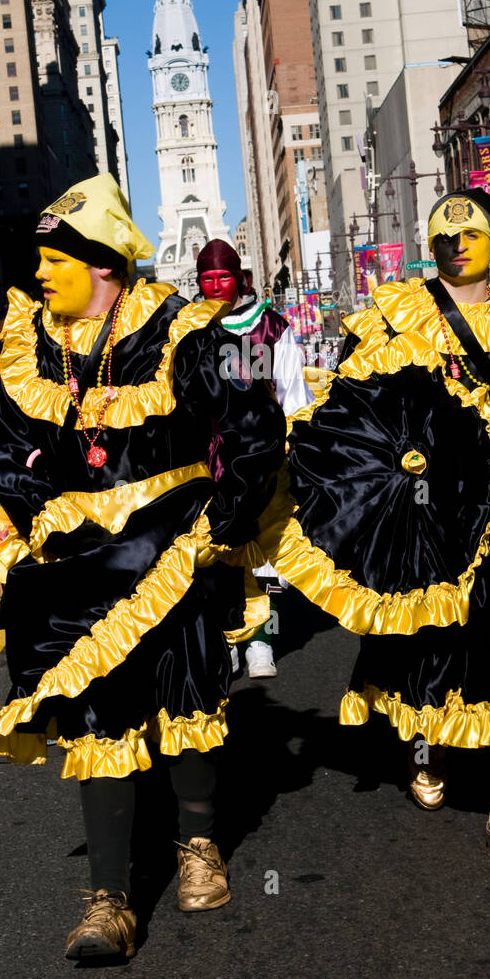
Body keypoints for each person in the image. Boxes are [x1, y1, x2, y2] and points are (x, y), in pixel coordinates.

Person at [0, 174, 285, 962]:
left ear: (102, 264)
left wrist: (229, 514)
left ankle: (198, 845)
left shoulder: (182, 326)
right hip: (76, 555)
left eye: (53, 260)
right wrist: (35, 495)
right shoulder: (29, 342)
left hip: (172, 544)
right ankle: (110, 901)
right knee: (92, 712)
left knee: (186, 696)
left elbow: (251, 416)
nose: (38, 275)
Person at [259, 188, 490, 875]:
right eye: (443, 238)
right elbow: (352, 405)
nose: (457, 246)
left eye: (471, 235)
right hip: (427, 509)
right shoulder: (396, 314)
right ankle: (422, 747)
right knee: (425, 644)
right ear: (429, 247)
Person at [196, 240, 312, 679]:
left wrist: (294, 449)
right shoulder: (189, 329)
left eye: (222, 277)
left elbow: (291, 391)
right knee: (217, 553)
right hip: (209, 459)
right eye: (206, 279)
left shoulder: (271, 326)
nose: (215, 286)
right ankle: (227, 639)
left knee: (265, 553)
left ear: (239, 278)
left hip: (262, 456)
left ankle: (261, 639)